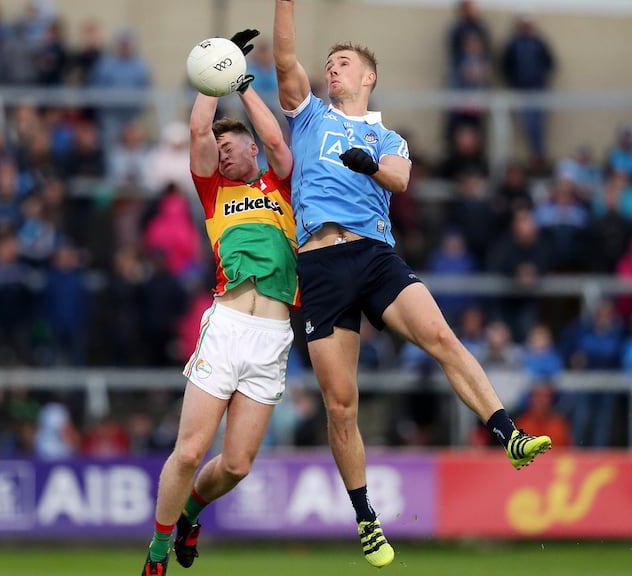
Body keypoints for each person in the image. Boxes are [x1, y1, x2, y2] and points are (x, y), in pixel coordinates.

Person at [272, 1, 551, 568]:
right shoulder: (309, 116)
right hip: (320, 267)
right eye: (330, 63)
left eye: (344, 62)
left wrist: (366, 164)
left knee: (442, 338)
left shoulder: (387, 137)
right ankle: (366, 519)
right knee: (341, 405)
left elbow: (399, 177)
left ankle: (510, 435)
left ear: (368, 76)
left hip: (374, 255)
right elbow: (282, 61)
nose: (333, 69)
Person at [141, 29, 298, 576]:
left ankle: (190, 512)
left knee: (235, 465)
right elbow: (196, 127)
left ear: (251, 148)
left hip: (273, 336)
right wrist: (217, 72)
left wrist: (245, 84)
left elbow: (279, 144)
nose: (224, 153)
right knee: (188, 452)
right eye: (220, 150)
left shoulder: (281, 187)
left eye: (234, 147)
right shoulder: (214, 193)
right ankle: (157, 554)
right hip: (228, 325)